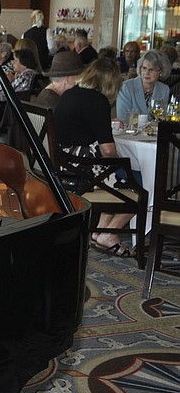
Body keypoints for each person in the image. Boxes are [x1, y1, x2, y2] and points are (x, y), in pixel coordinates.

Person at [54, 57, 130, 256]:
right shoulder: (98, 101)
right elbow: (107, 150)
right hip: (82, 171)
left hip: (64, 165)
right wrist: (120, 162)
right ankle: (108, 233)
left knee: (118, 175)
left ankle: (100, 232)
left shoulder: (70, 94)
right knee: (137, 184)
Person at [116, 48, 171, 124]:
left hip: (154, 131)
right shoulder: (127, 87)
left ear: (161, 72)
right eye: (144, 68)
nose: (146, 73)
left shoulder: (164, 89)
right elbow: (123, 119)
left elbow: (162, 119)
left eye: (151, 70)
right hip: (130, 130)